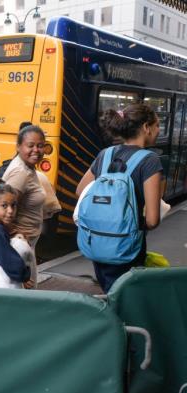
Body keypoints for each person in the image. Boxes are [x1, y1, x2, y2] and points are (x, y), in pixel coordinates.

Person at [76, 103, 163, 292]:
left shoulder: (105, 154)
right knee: (126, 299)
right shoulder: (150, 160)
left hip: (96, 243)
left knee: (109, 294)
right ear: (146, 127)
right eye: (157, 125)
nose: (159, 129)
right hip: (127, 248)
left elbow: (80, 191)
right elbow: (153, 220)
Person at [1, 124, 46, 286]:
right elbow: (3, 208)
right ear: (19, 147)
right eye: (30, 145)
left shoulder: (27, 168)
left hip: (24, 246)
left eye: (40, 146)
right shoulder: (21, 172)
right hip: (18, 247)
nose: (36, 150)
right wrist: (16, 233)